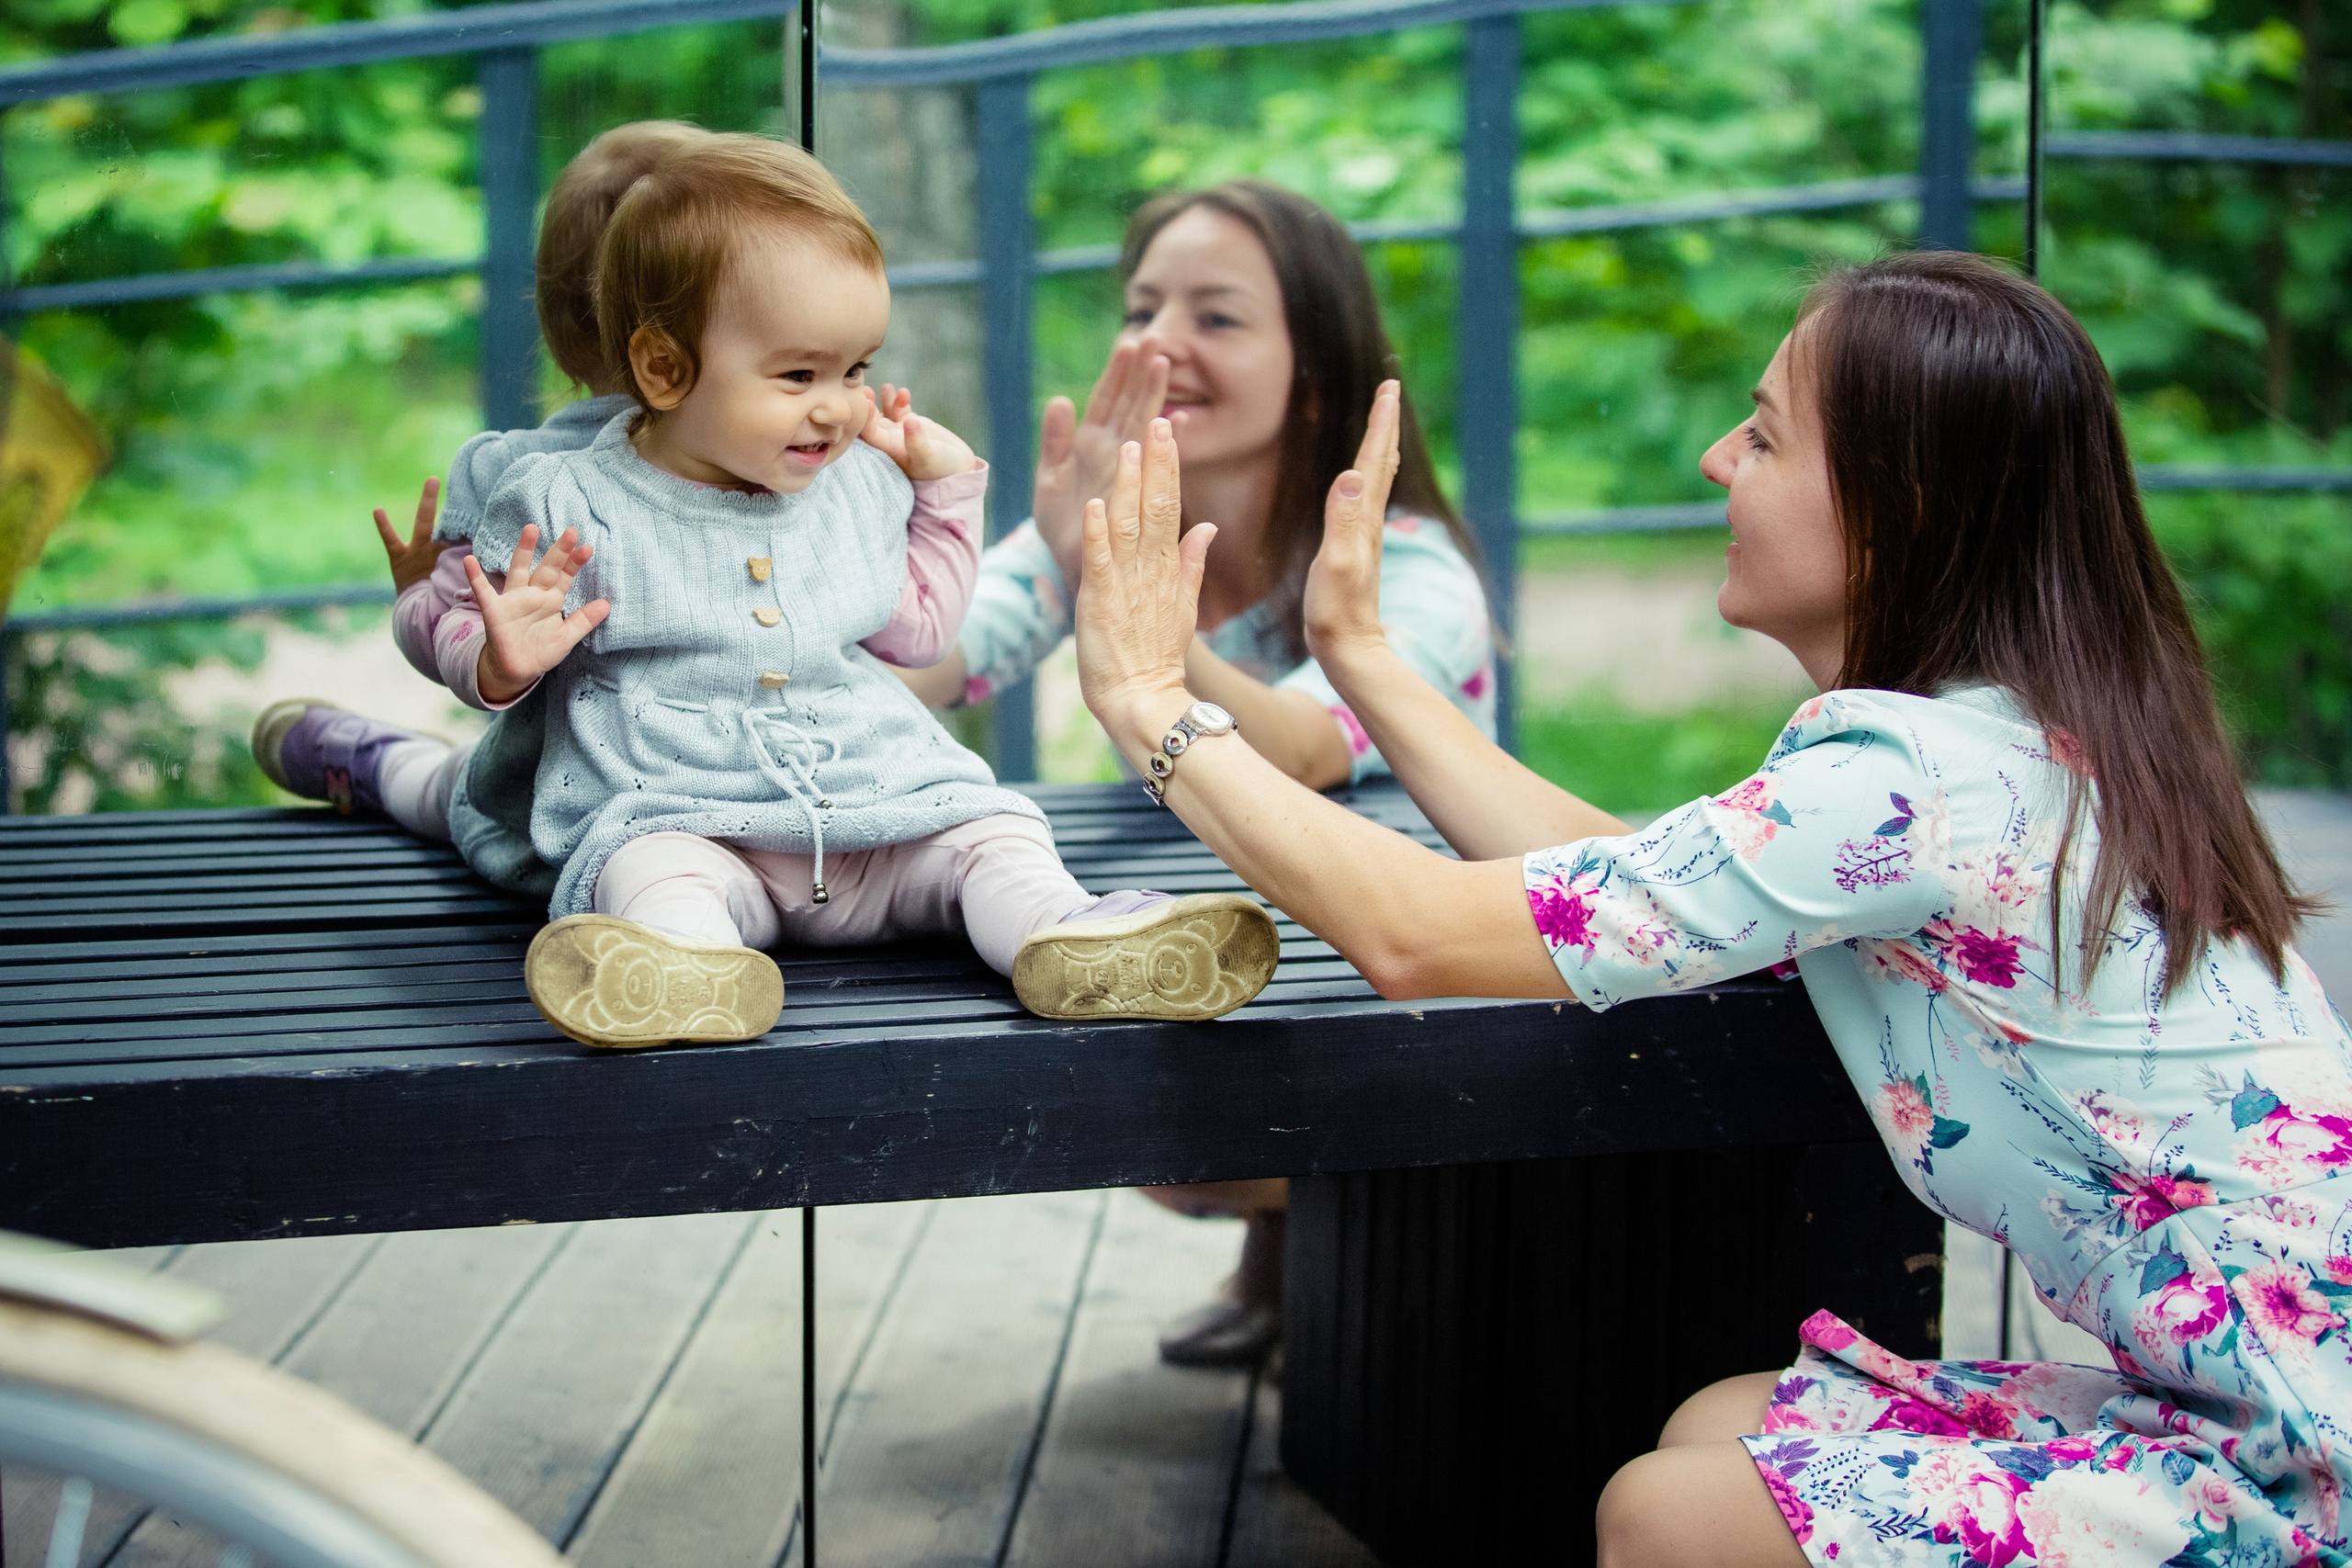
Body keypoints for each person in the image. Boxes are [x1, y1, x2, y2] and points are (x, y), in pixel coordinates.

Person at [1071, 250, 2351, 1567]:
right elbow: (1627, 892)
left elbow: (1418, 933)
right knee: (1717, 1429)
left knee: (1669, 1517)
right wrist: (1368, 657)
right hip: (2251, 1411)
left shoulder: (1914, 784)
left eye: (1765, 433)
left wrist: (1155, 706)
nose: (1712, 458)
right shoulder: (2013, 744)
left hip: (2305, 1472)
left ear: (1898, 505)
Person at [453, 133, 1278, 1047]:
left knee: (993, 834)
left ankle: (1070, 935)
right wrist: (499, 661)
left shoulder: (853, 484)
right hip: (697, 820)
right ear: (663, 369)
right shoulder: (572, 500)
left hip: (882, 813)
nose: (840, 405)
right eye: (799, 374)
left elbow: (922, 630)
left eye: (856, 371)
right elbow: (469, 632)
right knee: (649, 866)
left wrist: (946, 494)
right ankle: (684, 968)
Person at [899, 178, 1498, 1367]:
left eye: (1217, 317)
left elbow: (1310, 749)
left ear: (1315, 369)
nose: (1162, 340)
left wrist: (1140, 621)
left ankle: (1333, 1272)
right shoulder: (1098, 525)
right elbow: (931, 664)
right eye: (1143, 305)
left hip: (1418, 949)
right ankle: (1292, 1265)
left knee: (1216, 1129)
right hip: (1264, 922)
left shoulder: (1412, 573)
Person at [253, 120, 713, 863]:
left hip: (714, 819)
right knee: (449, 791)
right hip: (538, 805)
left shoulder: (775, 462)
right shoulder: (516, 475)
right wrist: (427, 603)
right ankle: (375, 761)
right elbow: (454, 636)